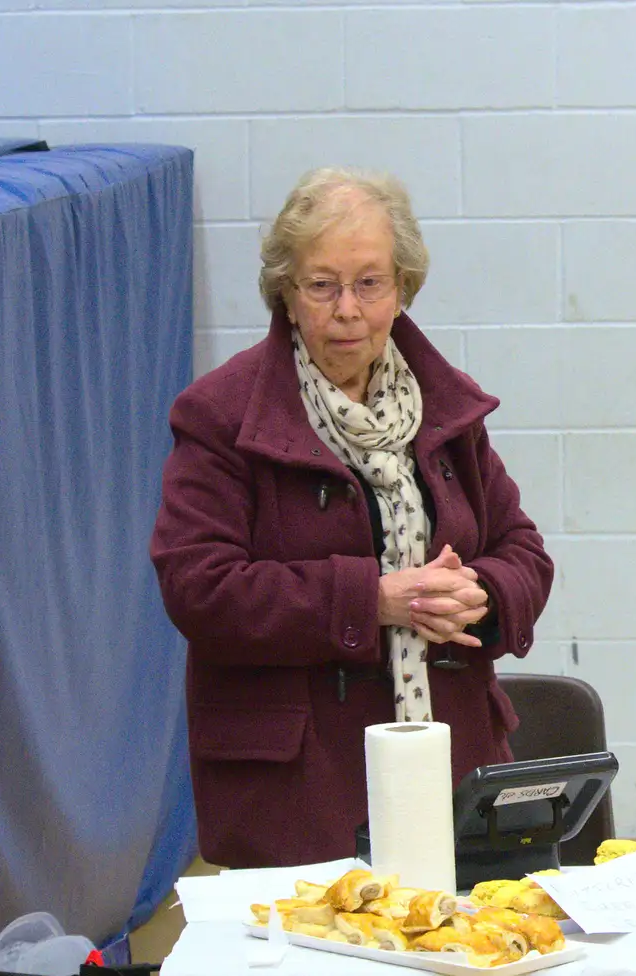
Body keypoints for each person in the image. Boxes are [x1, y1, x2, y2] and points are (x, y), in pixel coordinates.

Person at [151, 168, 555, 868]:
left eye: (369, 283)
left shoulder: (445, 404)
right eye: (322, 284)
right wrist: (371, 600)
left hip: (452, 775)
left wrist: (479, 593)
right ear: (286, 290)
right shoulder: (219, 414)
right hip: (297, 792)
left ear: (402, 289)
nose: (347, 308)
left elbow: (523, 550)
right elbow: (198, 584)